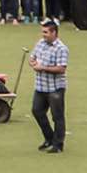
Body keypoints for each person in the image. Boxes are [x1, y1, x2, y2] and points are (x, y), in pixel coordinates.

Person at [30, 18, 69, 154]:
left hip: (55, 88)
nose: (43, 35)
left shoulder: (61, 48)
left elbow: (61, 69)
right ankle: (49, 138)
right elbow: (32, 57)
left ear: (54, 33)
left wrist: (43, 68)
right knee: (36, 111)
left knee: (57, 116)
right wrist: (33, 63)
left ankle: (58, 144)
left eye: (46, 32)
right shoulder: (41, 43)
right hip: (41, 87)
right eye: (43, 32)